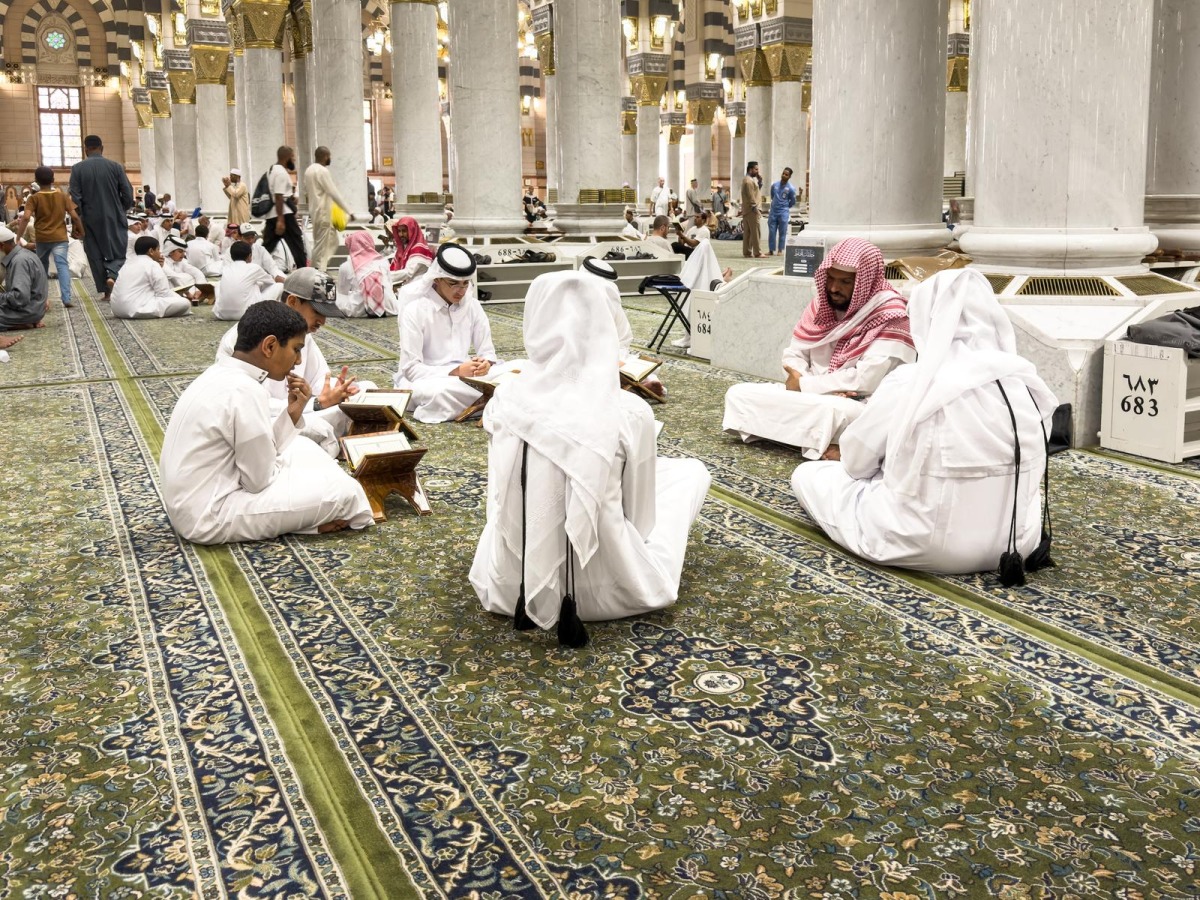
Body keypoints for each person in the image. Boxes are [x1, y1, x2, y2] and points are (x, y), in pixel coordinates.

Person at [469, 270, 711, 647]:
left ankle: (537, 577)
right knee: (689, 474)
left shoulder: (505, 401)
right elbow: (641, 518)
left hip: (508, 586)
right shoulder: (629, 411)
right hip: (619, 588)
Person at [792, 267, 1057, 577]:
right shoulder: (1025, 384)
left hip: (921, 544)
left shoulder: (912, 381)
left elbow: (857, 463)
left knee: (809, 474)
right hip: (1016, 543)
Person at [160, 300, 373, 545]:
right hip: (210, 515)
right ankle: (306, 521)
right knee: (346, 495)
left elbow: (258, 458)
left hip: (194, 501)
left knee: (305, 448)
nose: (298, 361)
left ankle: (303, 517)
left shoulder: (219, 374)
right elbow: (258, 482)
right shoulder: (245, 390)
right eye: (296, 349)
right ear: (270, 346)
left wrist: (292, 414)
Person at [723, 237, 916, 459]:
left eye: (845, 282)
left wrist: (806, 385)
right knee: (739, 394)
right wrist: (802, 379)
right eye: (831, 279)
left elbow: (867, 380)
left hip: (859, 402)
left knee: (830, 412)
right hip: (812, 393)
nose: (834, 288)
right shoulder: (822, 304)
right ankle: (808, 437)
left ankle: (803, 436)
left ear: (865, 281)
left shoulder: (890, 314)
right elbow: (794, 353)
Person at [217, 267, 375, 454]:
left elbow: (318, 381)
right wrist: (316, 404)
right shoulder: (244, 338)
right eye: (317, 311)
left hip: (301, 407)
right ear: (292, 302)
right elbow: (251, 406)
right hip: (271, 417)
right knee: (315, 426)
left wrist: (338, 390)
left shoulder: (302, 334)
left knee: (366, 389)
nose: (322, 321)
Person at [394, 244, 509, 423]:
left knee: (521, 370)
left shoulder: (472, 306)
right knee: (438, 394)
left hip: (469, 377)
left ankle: (484, 399)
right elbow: (411, 370)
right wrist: (455, 371)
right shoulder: (415, 310)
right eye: (453, 283)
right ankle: (493, 400)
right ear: (437, 279)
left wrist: (486, 363)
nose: (461, 291)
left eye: (465, 283)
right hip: (431, 380)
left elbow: (487, 352)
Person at [69, 135, 134, 301]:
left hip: (89, 219)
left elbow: (75, 198)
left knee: (94, 253)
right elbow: (127, 192)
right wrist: (121, 208)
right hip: (114, 216)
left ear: (85, 150)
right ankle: (112, 275)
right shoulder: (116, 167)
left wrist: (78, 221)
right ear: (102, 148)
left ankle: (106, 291)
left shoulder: (77, 168)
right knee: (118, 250)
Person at [13, 166, 84, 308]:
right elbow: (75, 217)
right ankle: (66, 298)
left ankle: (42, 299)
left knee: (42, 267)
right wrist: (81, 232)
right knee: (62, 265)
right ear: (53, 180)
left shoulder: (34, 198)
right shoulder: (62, 196)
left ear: (36, 181)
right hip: (60, 237)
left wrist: (18, 236)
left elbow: (26, 217)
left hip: (42, 238)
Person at [109, 235, 191, 319]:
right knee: (185, 303)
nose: (160, 253)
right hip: (135, 309)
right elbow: (163, 293)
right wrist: (180, 298)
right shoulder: (152, 264)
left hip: (117, 310)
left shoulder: (127, 264)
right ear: (151, 251)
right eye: (158, 249)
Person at [303, 146, 354, 272]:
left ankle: (318, 267)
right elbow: (333, 192)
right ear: (325, 156)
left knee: (330, 241)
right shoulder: (322, 171)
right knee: (322, 245)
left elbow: (306, 193)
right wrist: (349, 211)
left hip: (315, 212)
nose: (330, 158)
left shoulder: (309, 170)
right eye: (329, 156)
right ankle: (319, 270)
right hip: (323, 213)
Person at [262, 145, 307, 269]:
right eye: (292, 157)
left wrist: (291, 198)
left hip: (274, 213)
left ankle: (255, 265)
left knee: (268, 245)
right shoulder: (280, 173)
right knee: (297, 243)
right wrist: (281, 220)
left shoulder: (272, 170)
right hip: (283, 214)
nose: (294, 160)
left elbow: (279, 195)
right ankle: (303, 270)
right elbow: (278, 196)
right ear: (286, 157)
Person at [213, 240, 281, 320]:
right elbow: (271, 282)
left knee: (218, 284)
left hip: (221, 314)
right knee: (279, 285)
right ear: (250, 256)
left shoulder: (226, 269)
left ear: (231, 256)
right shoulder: (254, 268)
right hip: (247, 314)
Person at [337, 231, 398, 317]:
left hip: (359, 309)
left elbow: (342, 292)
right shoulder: (383, 262)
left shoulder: (346, 266)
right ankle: (376, 307)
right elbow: (390, 286)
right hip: (388, 307)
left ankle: (370, 306)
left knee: (337, 298)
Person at [0, 225, 49, 330]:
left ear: (1, 246)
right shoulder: (24, 254)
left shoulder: (19, 261)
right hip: (34, 309)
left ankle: (19, 324)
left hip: (26, 312)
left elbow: (20, 298)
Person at [161, 235, 210, 300]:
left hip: (186, 291)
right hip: (170, 294)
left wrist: (199, 290)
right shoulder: (162, 262)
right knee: (182, 278)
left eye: (184, 252)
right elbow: (174, 277)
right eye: (180, 251)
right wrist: (188, 293)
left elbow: (197, 273)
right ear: (170, 252)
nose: (183, 255)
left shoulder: (181, 262)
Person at [388, 215, 434, 285]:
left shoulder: (419, 249)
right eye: (399, 231)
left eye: (404, 231)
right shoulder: (404, 248)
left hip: (418, 288)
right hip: (406, 286)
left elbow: (408, 272)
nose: (401, 234)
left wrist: (385, 276)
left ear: (412, 231)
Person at [768, 166, 797, 256]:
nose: (784, 175)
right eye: (783, 173)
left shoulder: (791, 188)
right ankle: (771, 250)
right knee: (772, 231)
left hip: (783, 212)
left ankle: (780, 250)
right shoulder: (774, 185)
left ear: (789, 176)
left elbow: (792, 201)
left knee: (782, 231)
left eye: (786, 175)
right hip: (773, 211)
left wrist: (785, 207)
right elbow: (772, 196)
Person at [740, 161, 765, 259]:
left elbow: (756, 192)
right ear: (750, 170)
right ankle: (757, 252)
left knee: (748, 233)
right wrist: (755, 208)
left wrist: (760, 180)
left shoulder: (748, 180)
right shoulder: (749, 181)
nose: (758, 171)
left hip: (747, 209)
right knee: (755, 232)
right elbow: (751, 196)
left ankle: (747, 252)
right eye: (756, 169)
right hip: (752, 210)